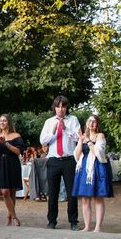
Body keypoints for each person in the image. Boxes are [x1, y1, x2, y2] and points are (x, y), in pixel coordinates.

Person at [39, 96, 81, 230]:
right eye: (58, 106)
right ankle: (52, 221)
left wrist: (66, 129)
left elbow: (79, 137)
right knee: (53, 192)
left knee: (71, 193)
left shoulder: (73, 120)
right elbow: (43, 141)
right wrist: (53, 131)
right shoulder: (49, 122)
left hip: (69, 160)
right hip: (53, 160)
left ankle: (73, 221)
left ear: (66, 108)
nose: (61, 109)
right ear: (54, 107)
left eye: (63, 106)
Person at [72, 115, 111, 232]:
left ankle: (98, 226)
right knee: (85, 198)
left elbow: (98, 153)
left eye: (94, 121)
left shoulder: (100, 136)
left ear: (97, 124)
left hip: (97, 168)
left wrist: (88, 140)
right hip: (84, 169)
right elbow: (77, 155)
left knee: (97, 197)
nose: (92, 123)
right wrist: (81, 140)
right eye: (90, 121)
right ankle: (87, 226)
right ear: (86, 123)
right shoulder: (83, 137)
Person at [0, 114, 25, 226]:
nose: (2, 123)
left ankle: (9, 217)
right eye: (0, 121)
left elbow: (19, 152)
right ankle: (14, 217)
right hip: (0, 164)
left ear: (9, 122)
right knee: (5, 192)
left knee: (12, 192)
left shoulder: (16, 135)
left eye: (4, 121)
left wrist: (6, 144)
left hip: (13, 164)